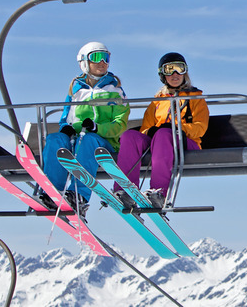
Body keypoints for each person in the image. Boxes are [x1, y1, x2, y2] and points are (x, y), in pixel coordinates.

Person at [40, 42, 129, 217]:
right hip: (77, 138)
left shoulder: (115, 90)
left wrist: (97, 128)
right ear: (84, 62)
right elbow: (66, 117)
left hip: (103, 142)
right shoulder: (76, 89)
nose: (102, 62)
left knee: (89, 141)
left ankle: (78, 195)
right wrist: (66, 129)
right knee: (55, 139)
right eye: (96, 57)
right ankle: (53, 192)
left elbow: (120, 125)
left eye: (106, 57)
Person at [113, 52, 209, 208]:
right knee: (130, 136)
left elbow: (201, 128)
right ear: (163, 75)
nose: (175, 74)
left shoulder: (195, 98)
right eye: (169, 69)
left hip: (186, 143)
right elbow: (146, 128)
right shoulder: (157, 101)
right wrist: (149, 132)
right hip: (158, 142)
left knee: (164, 133)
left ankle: (158, 192)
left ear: (185, 72)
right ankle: (125, 191)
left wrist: (177, 128)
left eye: (179, 68)